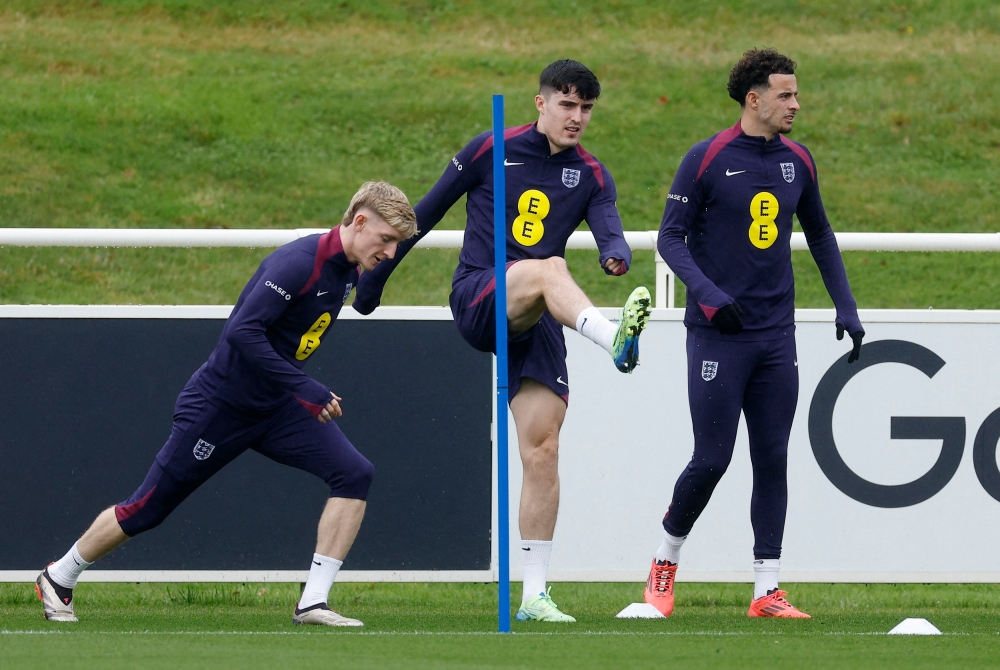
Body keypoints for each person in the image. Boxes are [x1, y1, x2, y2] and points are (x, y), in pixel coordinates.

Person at [36, 181, 418, 627]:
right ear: (358, 222)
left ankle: (312, 601)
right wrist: (306, 387)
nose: (390, 252)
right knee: (147, 509)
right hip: (221, 404)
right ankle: (59, 575)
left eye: (396, 244)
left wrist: (299, 386)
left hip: (277, 406)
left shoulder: (348, 268)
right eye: (387, 240)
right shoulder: (297, 263)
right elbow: (242, 332)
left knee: (355, 474)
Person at [354, 60, 651, 623]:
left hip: (539, 315)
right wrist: (372, 284)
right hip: (481, 295)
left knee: (543, 450)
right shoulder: (490, 148)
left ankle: (535, 594)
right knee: (547, 266)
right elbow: (425, 212)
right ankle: (614, 339)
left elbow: (609, 224)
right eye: (567, 105)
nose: (577, 117)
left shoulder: (591, 173)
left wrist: (617, 255)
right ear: (540, 104)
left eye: (586, 108)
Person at [643, 48, 865, 619]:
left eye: (795, 94)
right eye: (786, 94)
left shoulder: (799, 161)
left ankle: (767, 589)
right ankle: (665, 560)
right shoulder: (707, 156)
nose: (796, 103)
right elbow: (669, 239)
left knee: (772, 457)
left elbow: (820, 235)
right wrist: (711, 297)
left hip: (776, 336)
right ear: (754, 99)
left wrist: (845, 305)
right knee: (712, 458)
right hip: (718, 336)